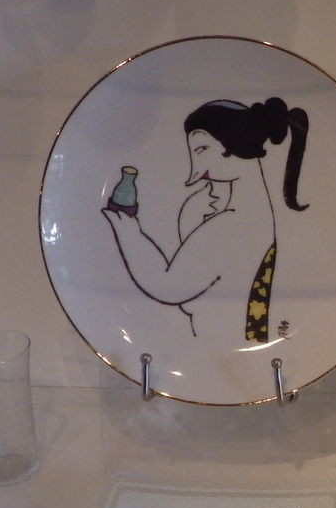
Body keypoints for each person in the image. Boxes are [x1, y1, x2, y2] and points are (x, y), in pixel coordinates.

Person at [103, 97, 308, 343]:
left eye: (201, 149)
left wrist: (128, 232)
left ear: (232, 145)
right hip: (230, 340)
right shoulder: (251, 213)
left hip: (220, 341)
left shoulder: (231, 225)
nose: (196, 165)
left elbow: (167, 286)